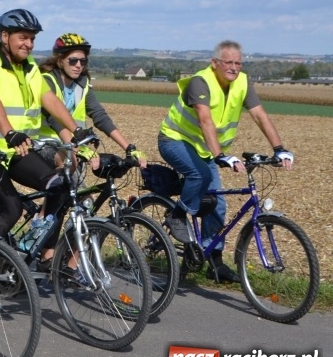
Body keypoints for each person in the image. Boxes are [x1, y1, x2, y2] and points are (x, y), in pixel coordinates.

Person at [0, 9, 86, 273]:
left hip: (17, 150)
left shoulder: (29, 68)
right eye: (23, 37)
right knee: (12, 208)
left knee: (59, 185)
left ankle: (34, 238)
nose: (28, 44)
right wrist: (9, 132)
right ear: (4, 36)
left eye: (32, 39)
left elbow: (49, 99)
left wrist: (76, 130)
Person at [158, 40, 294, 283]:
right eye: (228, 62)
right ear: (215, 63)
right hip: (175, 140)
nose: (234, 67)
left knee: (218, 207)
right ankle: (177, 215)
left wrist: (279, 148)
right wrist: (220, 155)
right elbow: (205, 120)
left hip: (206, 148)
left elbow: (259, 115)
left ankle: (214, 261)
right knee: (200, 175)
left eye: (238, 63)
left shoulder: (242, 82)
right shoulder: (200, 81)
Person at [35, 32, 147, 265]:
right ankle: (46, 251)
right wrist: (77, 145)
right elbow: (53, 118)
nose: (78, 65)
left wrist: (129, 147)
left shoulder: (82, 84)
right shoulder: (47, 81)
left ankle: (71, 265)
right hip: (46, 145)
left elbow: (100, 116)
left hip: (73, 148)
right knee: (66, 194)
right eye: (73, 60)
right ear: (59, 59)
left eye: (83, 61)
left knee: (83, 206)